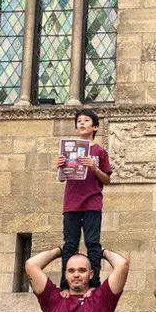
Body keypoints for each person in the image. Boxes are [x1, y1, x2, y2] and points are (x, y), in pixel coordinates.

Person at [58, 110, 113, 291]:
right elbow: (61, 179)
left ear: (95, 127)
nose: (81, 123)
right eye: (79, 121)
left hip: (92, 202)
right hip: (72, 203)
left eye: (86, 120)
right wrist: (60, 167)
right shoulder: (68, 149)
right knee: (70, 243)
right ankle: (65, 281)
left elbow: (107, 179)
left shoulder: (99, 151)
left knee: (92, 242)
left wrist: (94, 168)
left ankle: (94, 279)